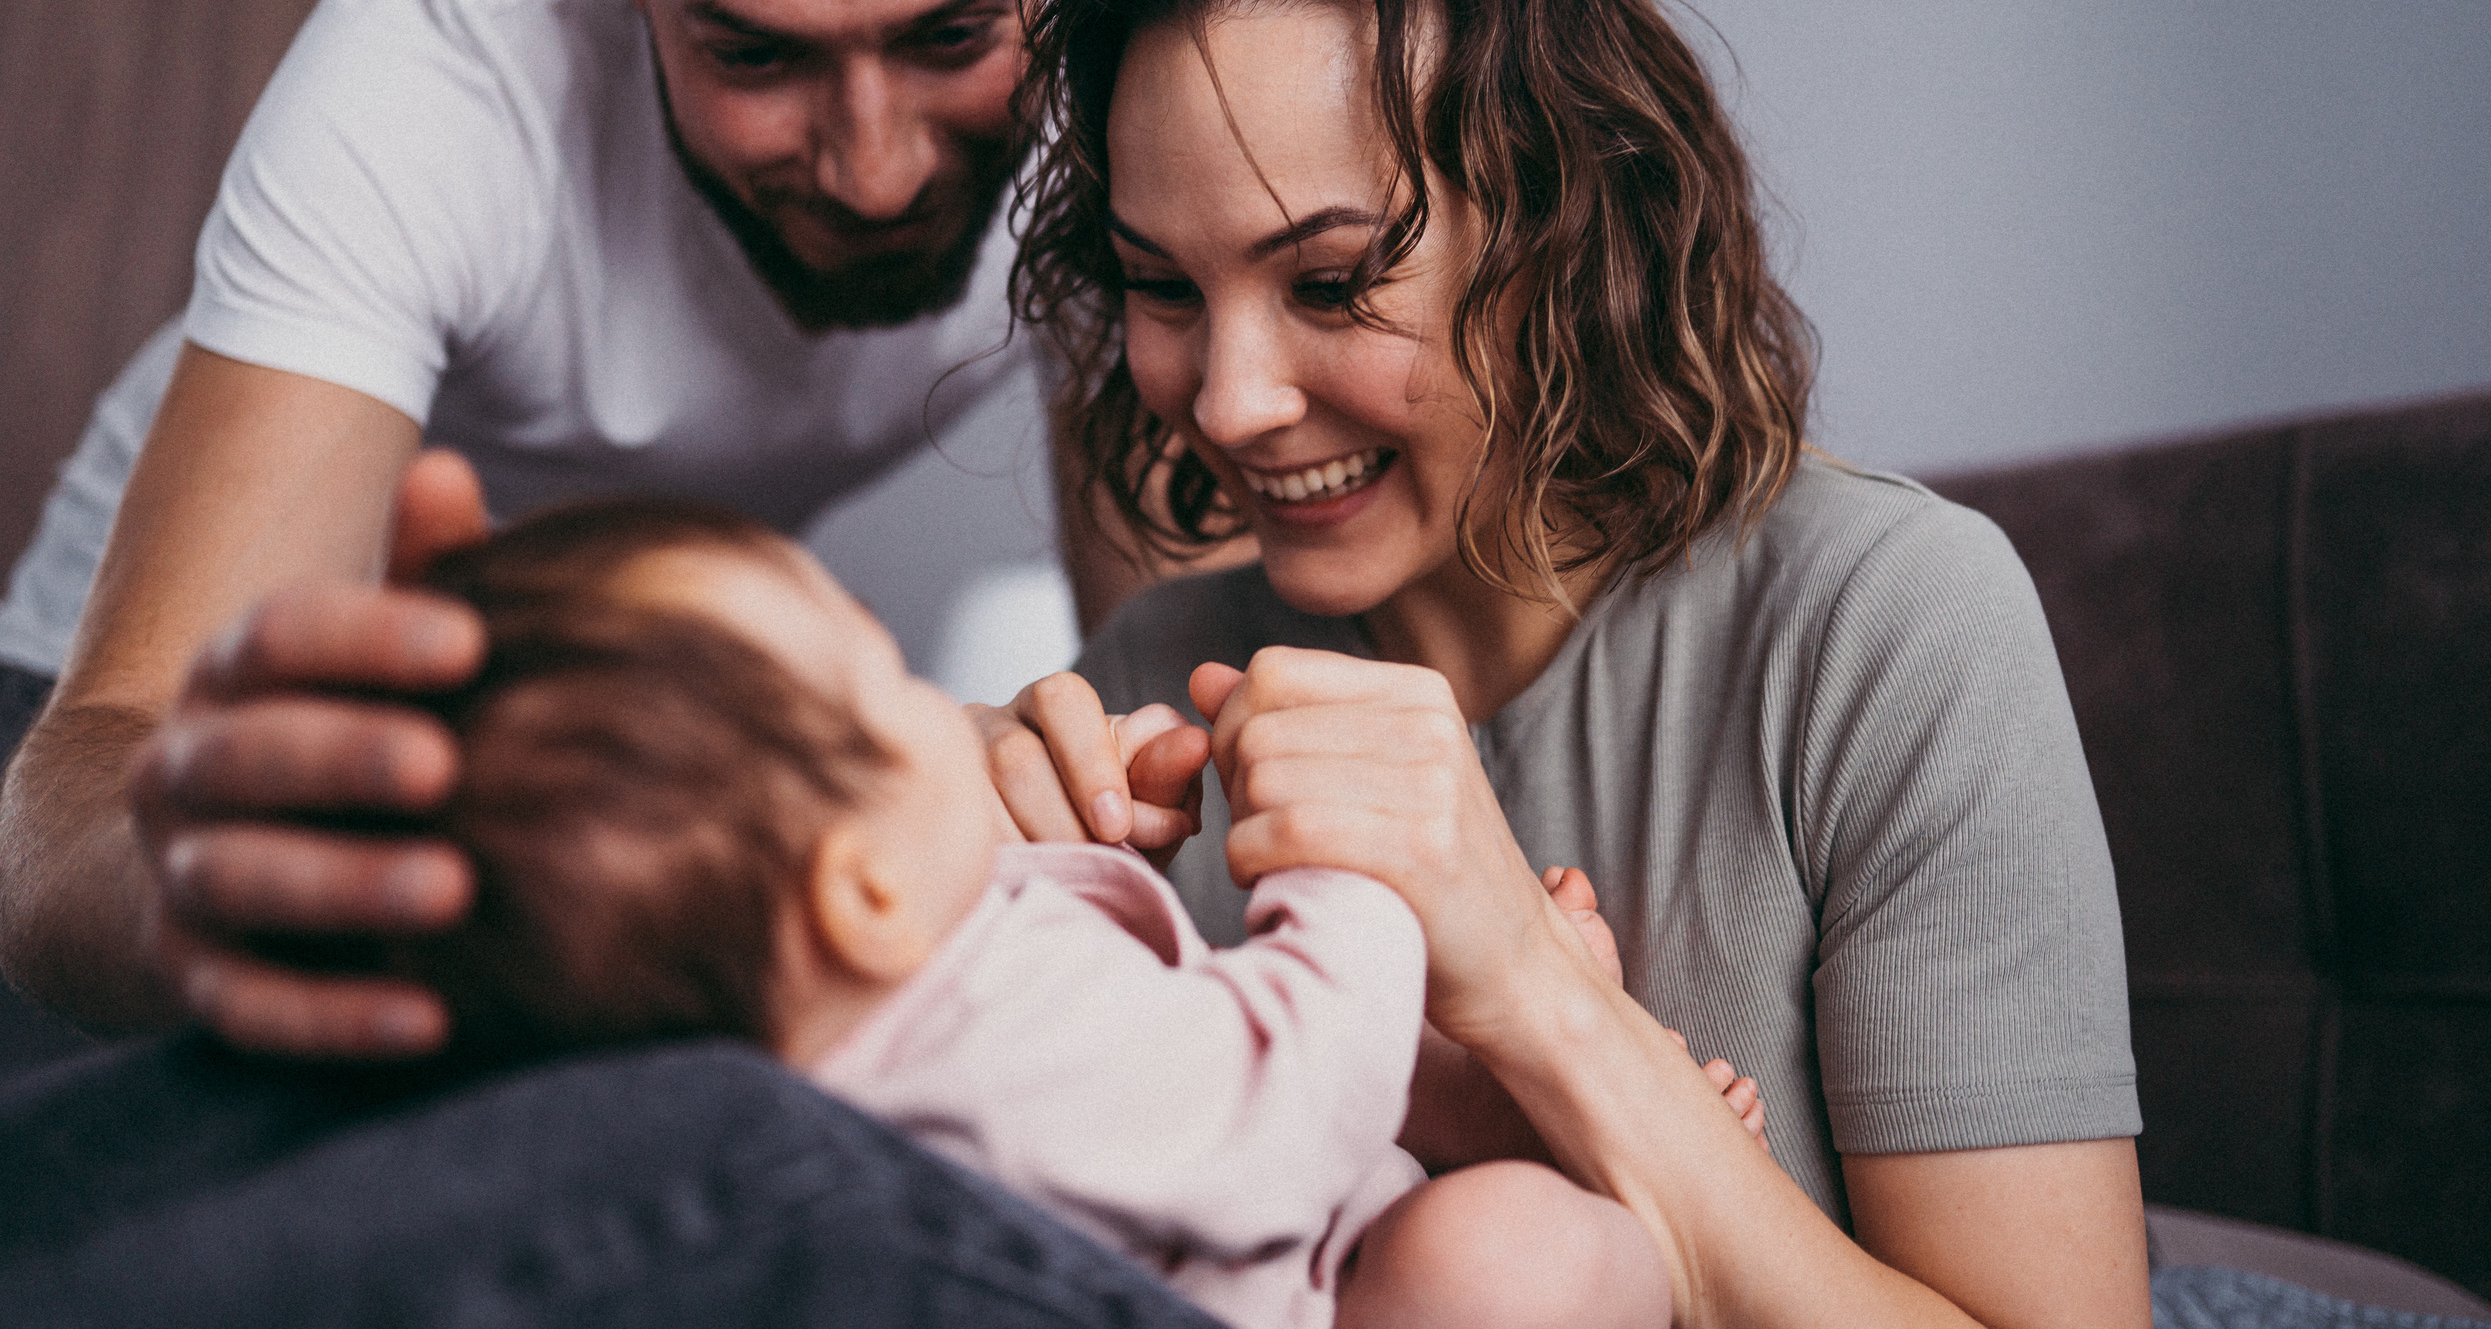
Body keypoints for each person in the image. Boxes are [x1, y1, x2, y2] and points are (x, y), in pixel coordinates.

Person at [977, 0, 2153, 1328]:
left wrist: (1533, 996)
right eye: (1162, 286)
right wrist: (941, 838)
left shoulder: (1890, 630)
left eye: (1330, 282)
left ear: (1564, 230)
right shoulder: (1150, 682)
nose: (1229, 400)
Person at [0, 0, 1163, 1056]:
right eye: (757, 54)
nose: (874, 171)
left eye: (949, 38)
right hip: (152, 750)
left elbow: (1159, 674)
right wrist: (225, 885)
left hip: (621, 785)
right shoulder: (437, 78)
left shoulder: (1115, 104)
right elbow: (69, 815)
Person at [378, 492, 1766, 1329]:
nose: (948, 711)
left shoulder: (852, 1035)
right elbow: (1270, 1104)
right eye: (891, 686)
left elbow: (1131, 1049)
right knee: (1519, 1253)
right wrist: (1347, 870)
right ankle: (1620, 1173)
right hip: (1302, 1271)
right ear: (863, 893)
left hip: (1281, 1231)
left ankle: (1555, 1087)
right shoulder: (986, 1029)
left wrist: (1087, 853)